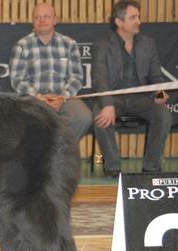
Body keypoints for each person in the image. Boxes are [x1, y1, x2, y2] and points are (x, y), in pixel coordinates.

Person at [91, 0, 171, 177]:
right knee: (101, 116)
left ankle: (151, 168)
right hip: (113, 98)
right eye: (133, 17)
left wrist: (159, 94)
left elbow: (155, 76)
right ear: (119, 22)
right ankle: (113, 168)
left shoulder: (147, 43)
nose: (138, 21)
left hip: (141, 98)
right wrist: (107, 104)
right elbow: (99, 79)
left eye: (138, 17)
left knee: (163, 114)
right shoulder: (102, 45)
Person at [9, 3, 92, 142]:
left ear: (55, 20)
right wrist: (38, 97)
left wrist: (62, 97)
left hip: (63, 99)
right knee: (26, 119)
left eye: (46, 17)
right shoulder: (22, 45)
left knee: (83, 116)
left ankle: (59, 152)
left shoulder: (69, 44)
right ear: (33, 22)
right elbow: (17, 80)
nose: (42, 20)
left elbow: (76, 77)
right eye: (37, 17)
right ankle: (45, 156)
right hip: (33, 99)